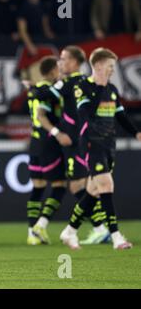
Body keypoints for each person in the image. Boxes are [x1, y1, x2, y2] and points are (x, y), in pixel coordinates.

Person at [60, 48, 141, 250]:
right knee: (106, 185)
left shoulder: (112, 89)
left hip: (108, 145)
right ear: (97, 66)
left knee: (93, 191)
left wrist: (137, 133)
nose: (113, 70)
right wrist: (98, 88)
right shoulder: (83, 87)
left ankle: (69, 231)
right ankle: (116, 237)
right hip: (91, 143)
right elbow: (84, 114)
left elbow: (121, 116)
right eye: (110, 66)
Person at [33, 46, 111, 244]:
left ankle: (102, 228)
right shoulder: (81, 81)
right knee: (87, 184)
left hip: (76, 141)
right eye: (60, 59)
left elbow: (43, 95)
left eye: (64, 59)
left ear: (75, 62)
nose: (60, 62)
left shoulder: (71, 81)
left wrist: (33, 87)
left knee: (78, 185)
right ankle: (102, 227)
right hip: (82, 139)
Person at [25, 56, 68, 245]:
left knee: (38, 187)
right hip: (49, 142)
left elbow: (36, 90)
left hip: (34, 142)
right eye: (58, 69)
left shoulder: (33, 91)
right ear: (52, 72)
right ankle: (40, 225)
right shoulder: (50, 92)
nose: (60, 72)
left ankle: (31, 233)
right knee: (59, 186)